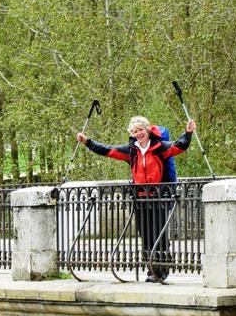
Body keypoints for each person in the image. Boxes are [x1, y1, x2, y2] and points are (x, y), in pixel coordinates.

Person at [77, 116, 196, 282]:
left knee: (159, 235)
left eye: (140, 130)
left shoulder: (160, 147)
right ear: (131, 134)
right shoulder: (131, 151)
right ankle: (151, 270)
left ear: (147, 130)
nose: (138, 133)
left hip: (158, 198)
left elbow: (179, 146)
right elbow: (108, 150)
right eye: (134, 131)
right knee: (146, 235)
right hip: (140, 199)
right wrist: (87, 141)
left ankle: (161, 270)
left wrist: (188, 133)